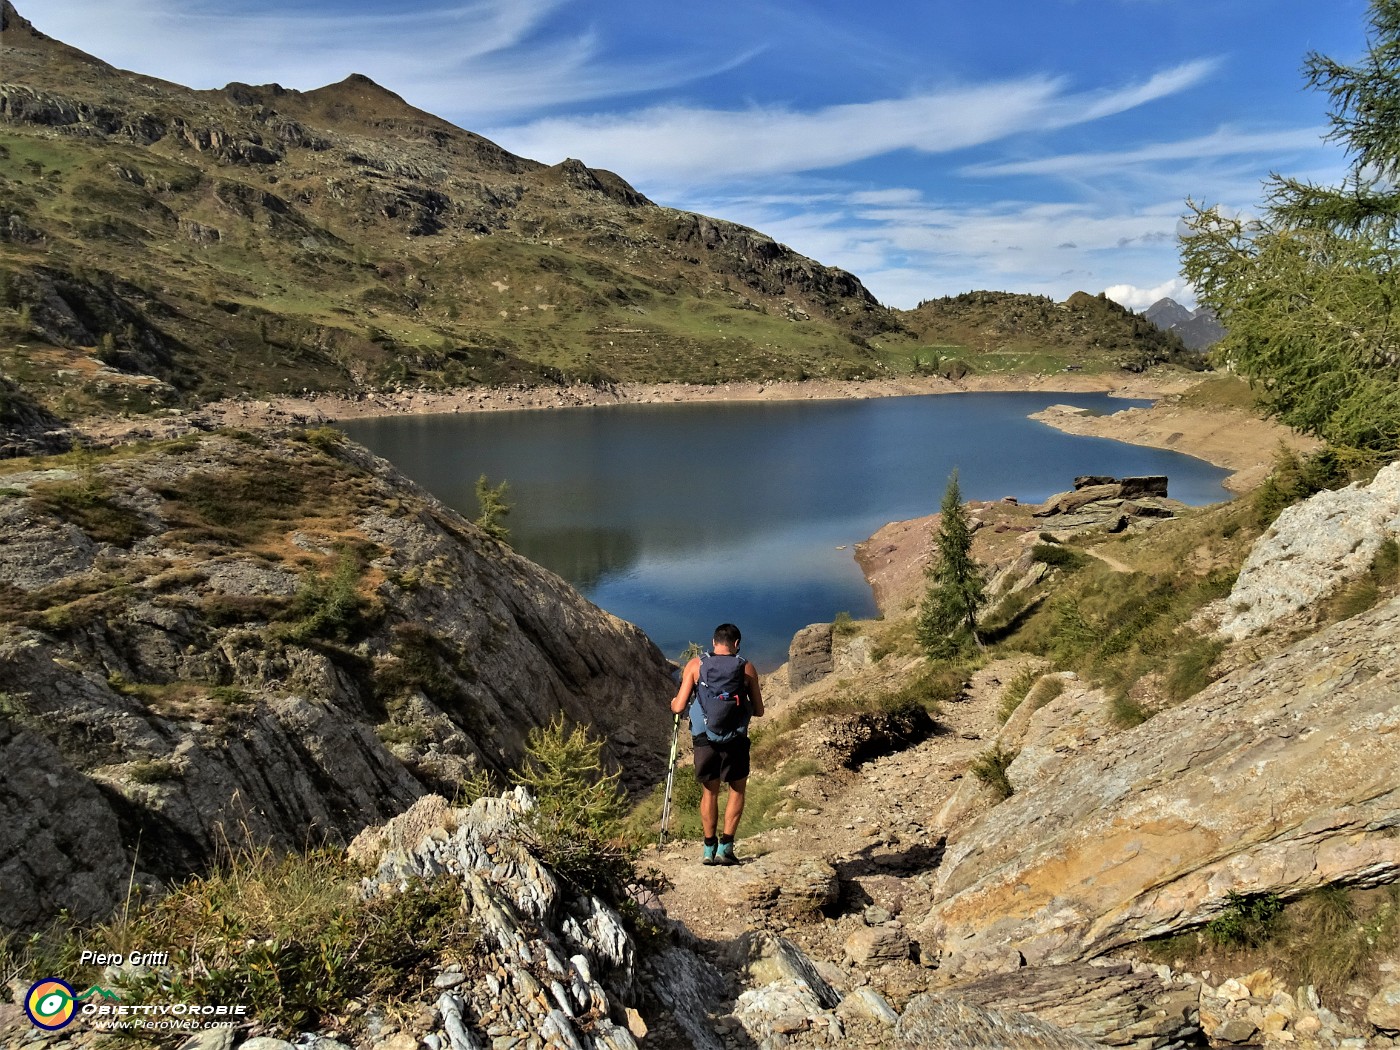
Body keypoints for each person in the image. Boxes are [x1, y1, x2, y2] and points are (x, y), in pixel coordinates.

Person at [670, 623, 764, 865]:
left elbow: (679, 707)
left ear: (713, 643)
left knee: (709, 791)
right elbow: (760, 710)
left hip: (704, 737)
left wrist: (673, 704)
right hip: (736, 737)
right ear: (736, 645)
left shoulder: (695, 665)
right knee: (737, 789)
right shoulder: (747, 667)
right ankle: (726, 848)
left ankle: (708, 850)